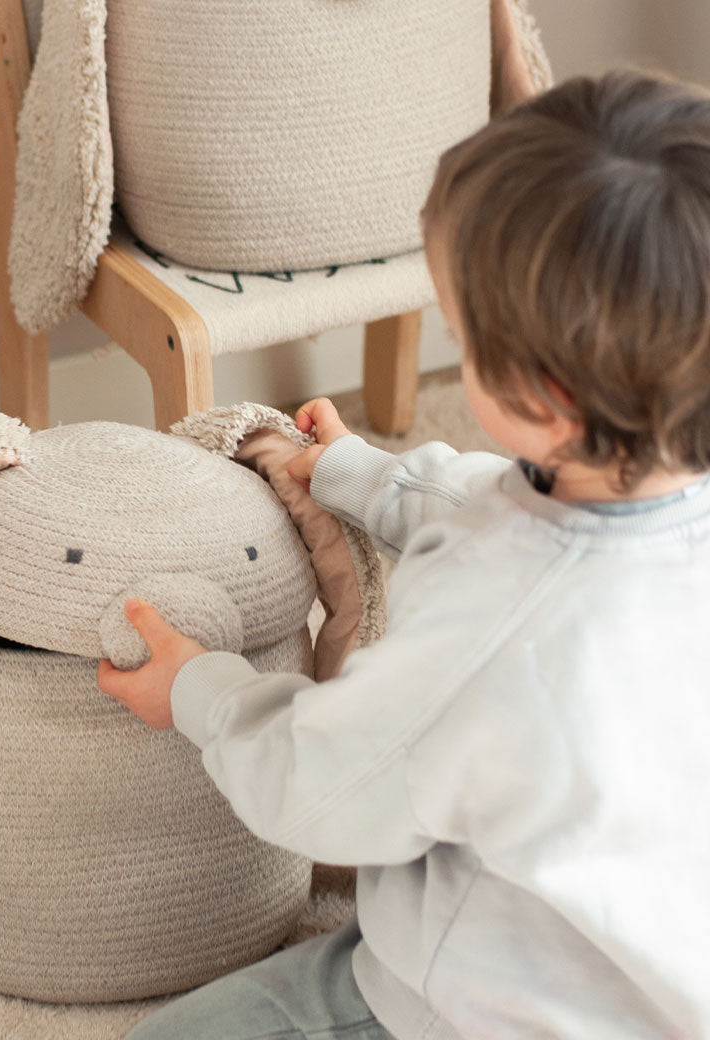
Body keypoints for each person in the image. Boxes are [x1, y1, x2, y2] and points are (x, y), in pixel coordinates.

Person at [97, 68, 710, 1039]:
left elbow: (319, 786)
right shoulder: (649, 498)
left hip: (480, 1008)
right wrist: (344, 469)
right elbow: (484, 501)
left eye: (459, 340)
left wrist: (199, 690)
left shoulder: (492, 637)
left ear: (542, 399)